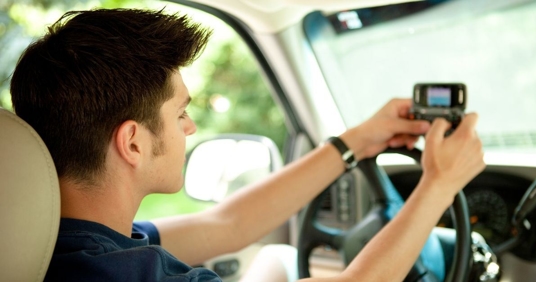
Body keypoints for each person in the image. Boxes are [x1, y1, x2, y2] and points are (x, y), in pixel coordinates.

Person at [9, 8, 485, 282]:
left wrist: (357, 140)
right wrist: (439, 186)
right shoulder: (125, 276)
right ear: (132, 143)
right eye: (180, 114)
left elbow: (227, 222)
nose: (190, 128)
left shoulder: (62, 244)